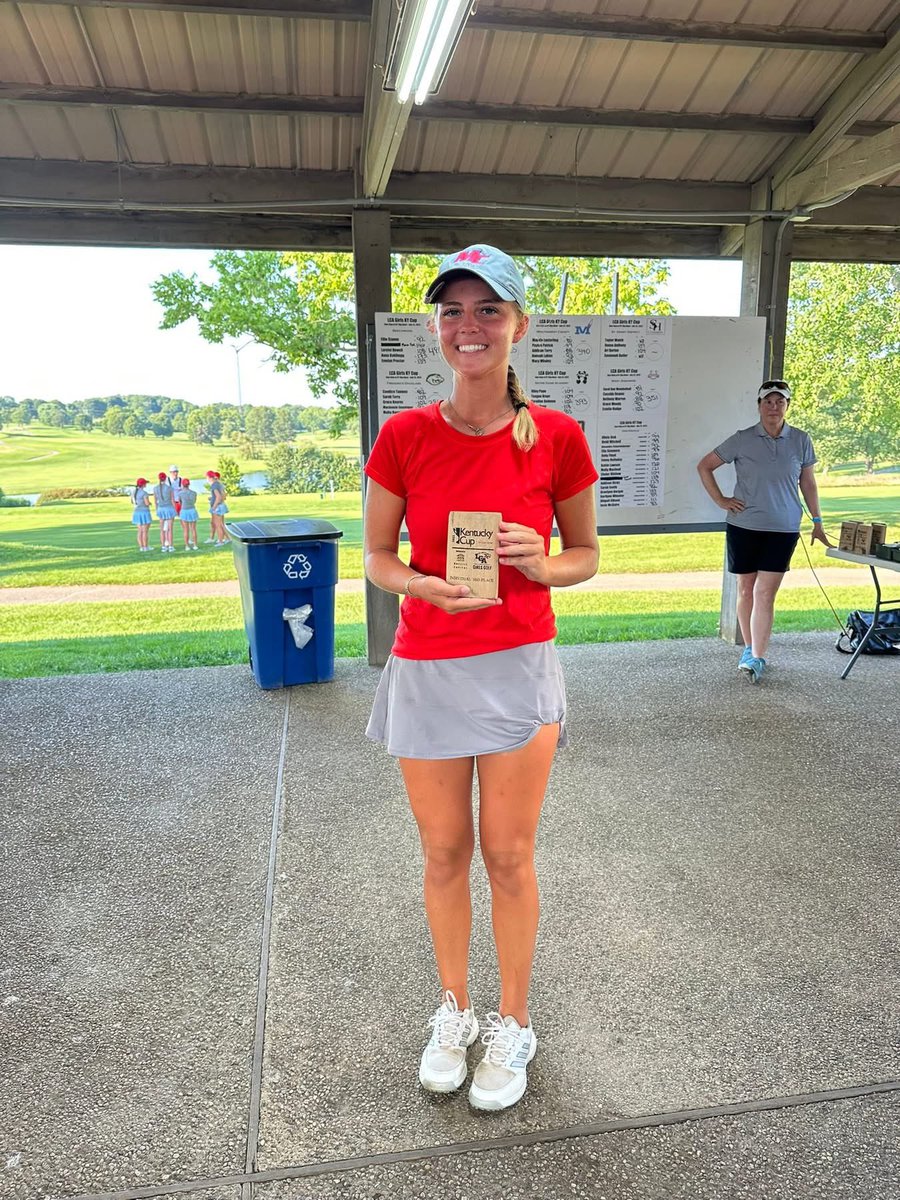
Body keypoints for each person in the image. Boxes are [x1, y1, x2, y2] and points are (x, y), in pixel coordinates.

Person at [363, 245, 599, 1112]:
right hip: (427, 665)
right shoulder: (405, 436)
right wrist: (417, 583)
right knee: (444, 851)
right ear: (437, 328)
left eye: (488, 310)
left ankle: (513, 1020)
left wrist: (543, 562)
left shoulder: (559, 437)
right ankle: (455, 1011)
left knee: (507, 854)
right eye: (454, 311)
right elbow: (380, 557)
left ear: (517, 327)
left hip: (517, 667)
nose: (470, 326)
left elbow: (586, 557)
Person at [697, 379, 833, 683]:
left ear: (787, 406)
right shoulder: (742, 439)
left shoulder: (801, 440)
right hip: (744, 526)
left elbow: (808, 483)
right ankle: (749, 648)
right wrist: (721, 500)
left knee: (764, 592)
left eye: (780, 401)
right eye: (768, 401)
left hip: (783, 528)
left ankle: (758, 656)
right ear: (759, 406)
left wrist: (818, 521)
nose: (774, 407)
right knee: (746, 589)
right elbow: (705, 466)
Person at [153, 472, 177, 552]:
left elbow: (155, 501)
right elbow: (172, 500)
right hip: (169, 508)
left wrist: (157, 510)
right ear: (166, 478)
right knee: (170, 529)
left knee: (162, 529)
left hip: (161, 509)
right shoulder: (169, 488)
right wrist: (175, 510)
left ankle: (163, 546)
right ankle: (170, 546)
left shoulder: (155, 488)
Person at [205, 471, 230, 546]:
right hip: (221, 505)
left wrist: (214, 507)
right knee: (221, 524)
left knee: (218, 524)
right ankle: (226, 539)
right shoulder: (219, 484)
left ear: (209, 478)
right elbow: (223, 495)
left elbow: (218, 497)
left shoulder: (214, 485)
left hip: (217, 507)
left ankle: (220, 541)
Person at [177, 477, 200, 550]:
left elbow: (180, 502)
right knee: (193, 529)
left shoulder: (180, 493)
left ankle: (187, 546)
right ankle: (195, 545)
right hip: (192, 510)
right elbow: (194, 501)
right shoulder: (194, 493)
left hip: (184, 511)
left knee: (186, 530)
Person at [131, 477, 153, 551]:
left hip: (137, 513)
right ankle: (146, 546)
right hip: (144, 512)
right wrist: (150, 503)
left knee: (140, 531)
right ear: (143, 484)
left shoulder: (134, 492)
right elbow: (146, 503)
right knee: (145, 531)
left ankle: (141, 547)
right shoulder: (144, 493)